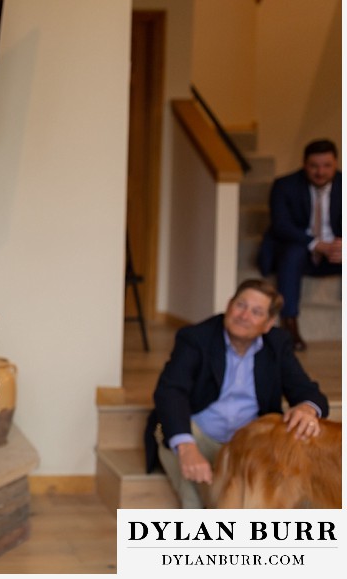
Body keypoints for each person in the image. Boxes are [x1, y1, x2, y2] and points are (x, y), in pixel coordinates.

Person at [144, 279, 329, 509]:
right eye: (240, 305)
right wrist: (187, 447)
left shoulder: (277, 343)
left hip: (251, 443)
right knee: (198, 497)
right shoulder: (195, 338)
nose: (244, 315)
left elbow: (308, 391)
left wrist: (306, 408)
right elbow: (170, 392)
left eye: (256, 312)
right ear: (228, 305)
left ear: (268, 323)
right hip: (201, 435)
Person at [257, 138, 342, 350]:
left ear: (336, 164)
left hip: (335, 253)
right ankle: (289, 323)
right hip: (299, 250)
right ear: (304, 164)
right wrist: (315, 244)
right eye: (314, 166)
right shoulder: (285, 185)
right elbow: (281, 225)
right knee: (293, 252)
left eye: (326, 166)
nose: (320, 172)